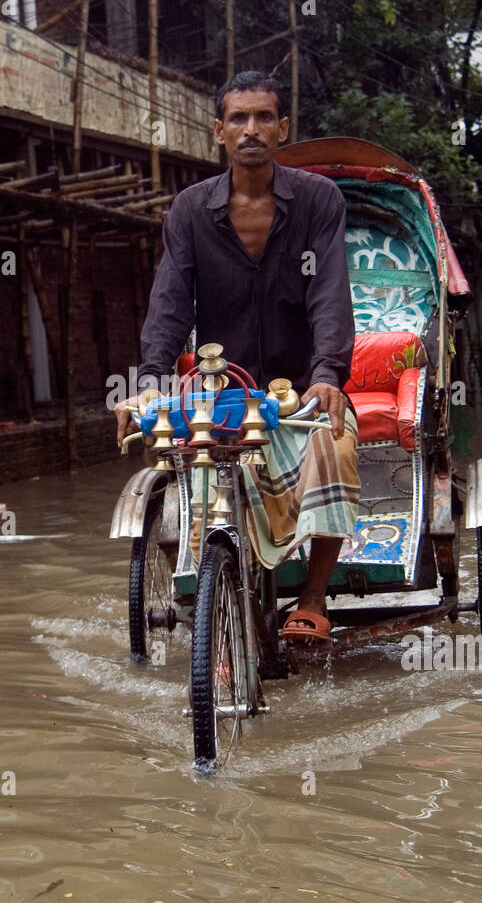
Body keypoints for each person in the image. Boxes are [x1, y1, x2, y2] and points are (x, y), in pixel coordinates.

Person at [114, 70, 360, 644]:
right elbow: (170, 302)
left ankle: (313, 598)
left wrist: (328, 374)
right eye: (239, 118)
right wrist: (150, 380)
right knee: (185, 463)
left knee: (336, 445)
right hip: (221, 390)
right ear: (219, 131)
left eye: (264, 117)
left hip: (300, 387)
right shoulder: (190, 210)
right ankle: (220, 589)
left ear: (282, 128)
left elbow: (330, 293)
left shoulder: (318, 200)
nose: (252, 129)